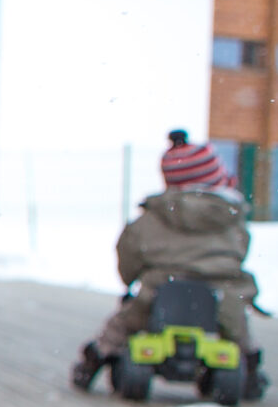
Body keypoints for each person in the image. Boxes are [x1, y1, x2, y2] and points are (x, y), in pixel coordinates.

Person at [73, 131, 261, 391]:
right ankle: (250, 372)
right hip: (220, 296)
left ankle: (93, 362)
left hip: (161, 293)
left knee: (120, 327)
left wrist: (131, 278)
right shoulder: (231, 217)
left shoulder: (153, 216)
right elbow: (240, 251)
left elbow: (129, 251)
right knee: (238, 330)